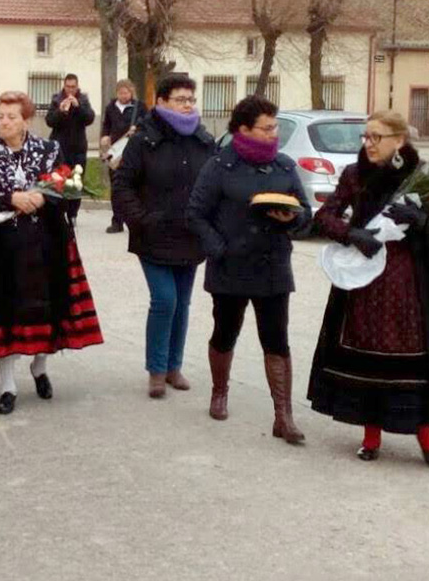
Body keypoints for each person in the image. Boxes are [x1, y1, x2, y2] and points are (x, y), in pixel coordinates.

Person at [307, 111, 429, 465]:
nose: (369, 144)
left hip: (409, 282)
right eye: (366, 137)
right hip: (365, 280)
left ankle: (425, 434)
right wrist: (352, 234)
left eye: (376, 137)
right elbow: (325, 216)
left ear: (399, 140)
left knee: (414, 358)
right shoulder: (354, 174)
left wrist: (422, 221)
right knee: (365, 352)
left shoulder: (422, 177)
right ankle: (371, 435)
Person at [187, 95, 312, 444]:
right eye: (267, 127)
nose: (274, 133)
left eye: (276, 127)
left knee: (277, 339)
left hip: (272, 265)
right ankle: (219, 391)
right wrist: (218, 248)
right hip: (230, 265)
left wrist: (294, 219)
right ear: (243, 129)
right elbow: (195, 213)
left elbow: (306, 214)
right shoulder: (219, 166)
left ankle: (283, 416)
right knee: (226, 331)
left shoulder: (285, 167)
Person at [0, 91, 103, 415]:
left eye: (11, 116)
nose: (3, 121)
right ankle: (7, 385)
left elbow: (67, 185)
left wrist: (43, 197)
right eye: (1, 116)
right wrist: (9, 199)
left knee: (48, 309)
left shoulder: (49, 149)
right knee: (4, 314)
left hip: (47, 242)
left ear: (26, 120)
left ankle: (39, 367)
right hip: (1, 248)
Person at [112, 76, 215, 398]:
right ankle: (156, 370)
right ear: (162, 102)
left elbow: (214, 184)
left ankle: (173, 367)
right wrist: (140, 220)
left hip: (189, 235)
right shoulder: (143, 140)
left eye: (191, 100)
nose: (188, 105)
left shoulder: (203, 139)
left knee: (182, 303)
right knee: (165, 300)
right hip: (153, 234)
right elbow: (123, 185)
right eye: (181, 99)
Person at [45, 73, 95, 223]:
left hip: (78, 147)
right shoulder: (56, 99)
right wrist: (61, 111)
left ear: (77, 86)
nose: (70, 90)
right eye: (68, 87)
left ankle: (73, 213)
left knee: (76, 181)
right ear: (64, 86)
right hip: (60, 148)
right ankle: (60, 212)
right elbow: (50, 121)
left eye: (73, 87)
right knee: (60, 181)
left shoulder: (83, 100)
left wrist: (77, 107)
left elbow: (89, 118)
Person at [100, 79, 146, 233]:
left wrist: (137, 129)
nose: (123, 96)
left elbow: (148, 124)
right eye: (120, 93)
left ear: (131, 92)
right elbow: (106, 125)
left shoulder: (140, 107)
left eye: (126, 93)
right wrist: (105, 136)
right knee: (116, 185)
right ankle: (117, 221)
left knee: (135, 186)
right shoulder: (111, 107)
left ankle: (135, 220)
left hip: (134, 150)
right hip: (115, 150)